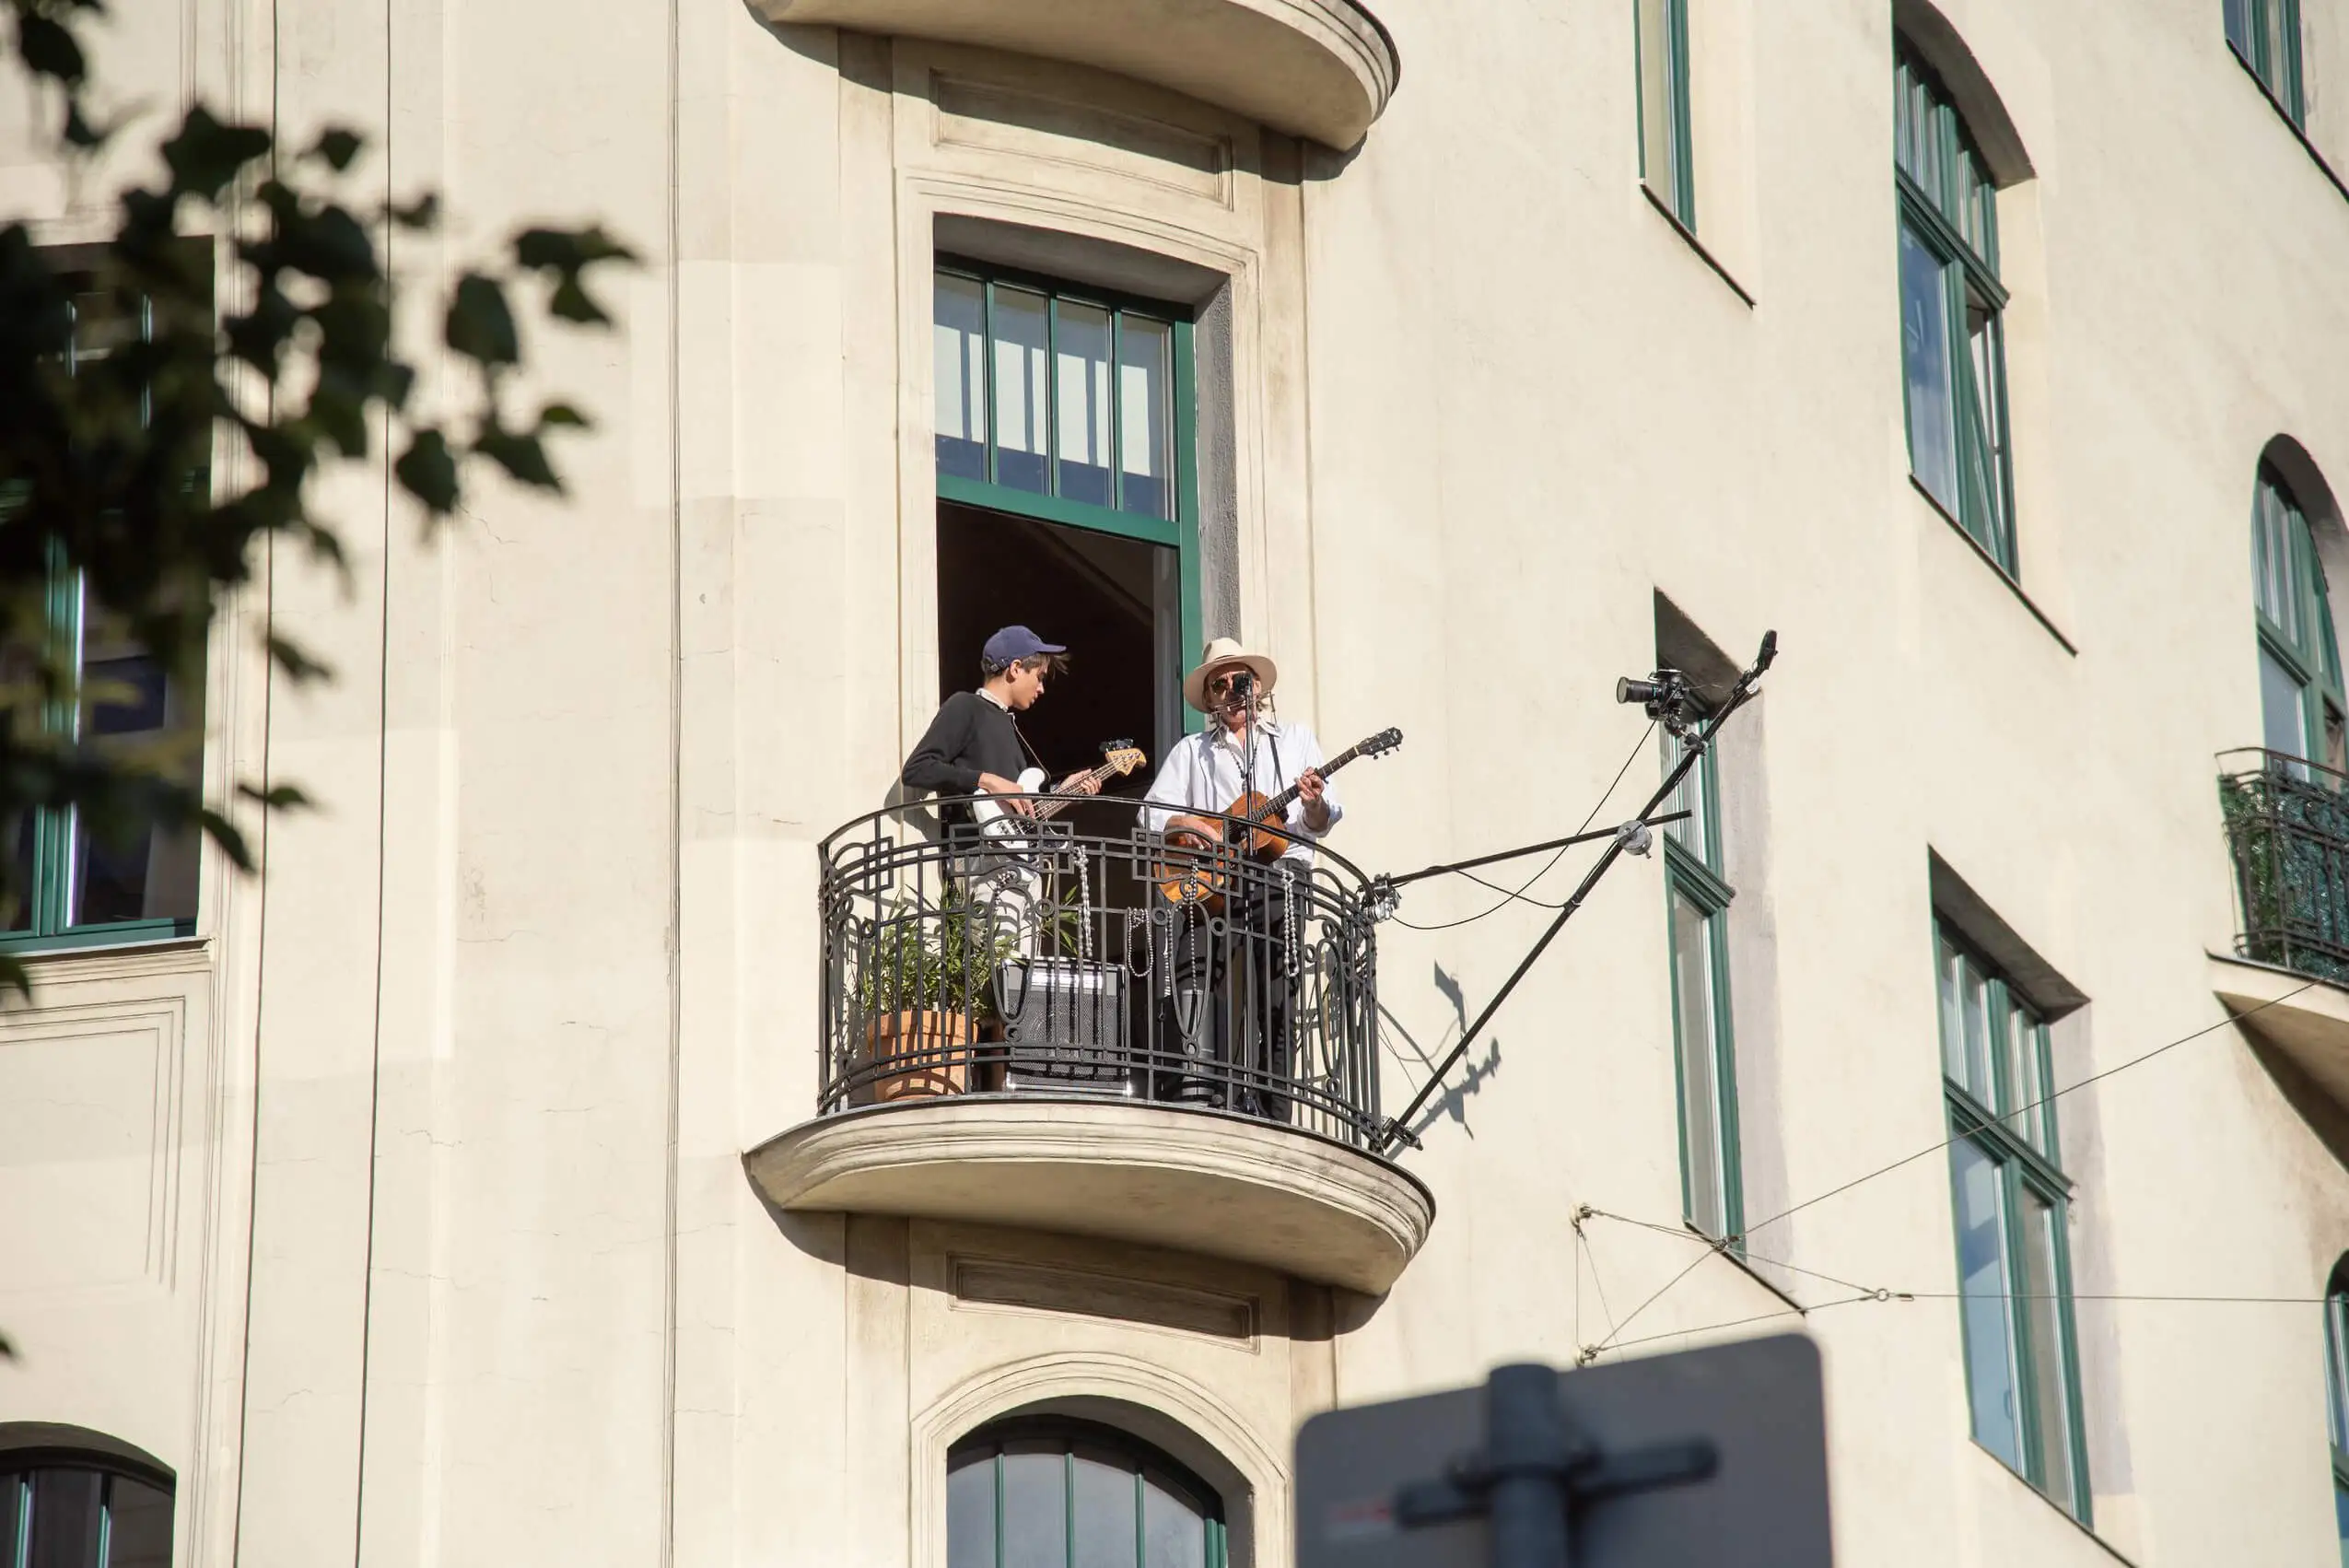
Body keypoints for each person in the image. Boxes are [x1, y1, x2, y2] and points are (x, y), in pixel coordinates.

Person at [1143, 638, 1340, 1117]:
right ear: (1210, 697)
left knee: (1277, 992)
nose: (1232, 690)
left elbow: (1324, 816)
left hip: (1279, 876)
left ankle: (1275, 1108)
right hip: (1213, 883)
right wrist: (1187, 825)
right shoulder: (1192, 751)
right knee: (1194, 971)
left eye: (1240, 681)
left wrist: (1312, 803)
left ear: (1255, 687)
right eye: (1220, 684)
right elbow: (1152, 813)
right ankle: (1199, 1091)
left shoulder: (1293, 741)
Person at [901, 625, 1100, 961]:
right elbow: (918, 769)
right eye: (1039, 676)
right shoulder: (965, 707)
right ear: (1015, 668)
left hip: (1019, 865)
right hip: (984, 863)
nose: (1041, 688)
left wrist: (1065, 791)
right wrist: (986, 780)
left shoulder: (1011, 729)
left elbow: (1020, 812)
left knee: (1019, 976)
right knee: (998, 974)